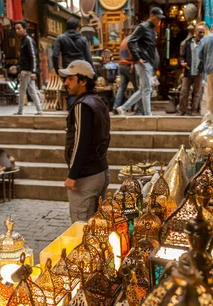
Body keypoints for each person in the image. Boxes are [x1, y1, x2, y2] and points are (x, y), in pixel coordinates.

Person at [58, 60, 111, 222]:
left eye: (70, 78)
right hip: (99, 170)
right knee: (95, 225)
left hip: (86, 176)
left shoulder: (83, 105)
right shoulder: (97, 101)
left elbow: (81, 142)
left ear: (83, 81)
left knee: (81, 227)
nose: (66, 82)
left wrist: (73, 175)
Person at [115, 7, 165, 117]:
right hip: (143, 62)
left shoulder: (152, 29)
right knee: (147, 89)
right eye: (157, 18)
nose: (159, 21)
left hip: (148, 62)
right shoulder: (142, 27)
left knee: (144, 89)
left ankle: (123, 107)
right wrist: (138, 59)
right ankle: (148, 115)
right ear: (151, 16)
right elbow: (131, 42)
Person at [53, 18, 93, 108]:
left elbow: (55, 55)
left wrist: (58, 70)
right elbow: (88, 57)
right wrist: (92, 72)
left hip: (68, 69)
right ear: (77, 28)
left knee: (70, 91)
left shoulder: (61, 38)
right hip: (81, 70)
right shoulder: (83, 40)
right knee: (82, 91)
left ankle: (73, 113)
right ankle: (81, 111)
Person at [14, 20, 43, 116]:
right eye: (16, 29)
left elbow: (33, 56)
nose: (17, 30)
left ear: (25, 29)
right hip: (25, 70)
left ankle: (20, 111)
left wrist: (34, 71)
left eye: (19, 28)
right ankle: (39, 110)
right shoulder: (23, 41)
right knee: (31, 91)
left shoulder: (28, 40)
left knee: (22, 91)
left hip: (28, 71)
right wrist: (20, 70)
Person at [178, 24, 206, 116]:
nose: (201, 34)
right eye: (200, 32)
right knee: (184, 91)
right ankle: (182, 110)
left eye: (203, 32)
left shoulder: (205, 43)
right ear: (195, 32)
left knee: (197, 92)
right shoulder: (188, 43)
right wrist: (182, 62)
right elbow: (182, 56)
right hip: (188, 70)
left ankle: (194, 110)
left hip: (199, 71)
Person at [113, 29, 143, 115]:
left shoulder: (124, 40)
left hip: (122, 65)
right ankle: (138, 109)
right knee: (138, 88)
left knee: (122, 88)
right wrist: (133, 64)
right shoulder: (132, 40)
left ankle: (115, 107)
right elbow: (132, 53)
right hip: (129, 65)